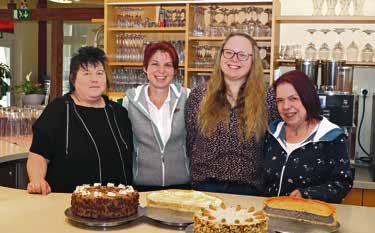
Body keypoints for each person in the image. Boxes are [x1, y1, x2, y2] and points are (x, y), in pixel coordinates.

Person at [27, 46, 133, 194]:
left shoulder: (118, 113)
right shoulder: (58, 110)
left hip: (117, 205)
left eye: (99, 73)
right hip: (68, 203)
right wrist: (37, 179)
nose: (94, 79)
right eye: (87, 73)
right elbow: (38, 154)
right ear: (73, 78)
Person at [185, 32, 279, 195]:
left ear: (253, 60)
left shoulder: (268, 97)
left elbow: (271, 146)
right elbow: (191, 142)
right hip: (205, 188)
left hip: (250, 189)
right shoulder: (199, 95)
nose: (234, 59)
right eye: (229, 52)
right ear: (220, 56)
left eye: (242, 55)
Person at [263, 70, 353, 203]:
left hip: (310, 217)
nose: (286, 106)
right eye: (280, 100)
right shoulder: (272, 132)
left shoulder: (331, 137)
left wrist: (306, 194)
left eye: (293, 98)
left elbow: (342, 183)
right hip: (270, 213)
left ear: (307, 98)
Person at [122, 41, 190, 191]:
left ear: (175, 71)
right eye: (155, 64)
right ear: (145, 68)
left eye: (168, 65)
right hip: (142, 186)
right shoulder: (130, 101)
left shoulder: (187, 98)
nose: (161, 71)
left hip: (182, 186)